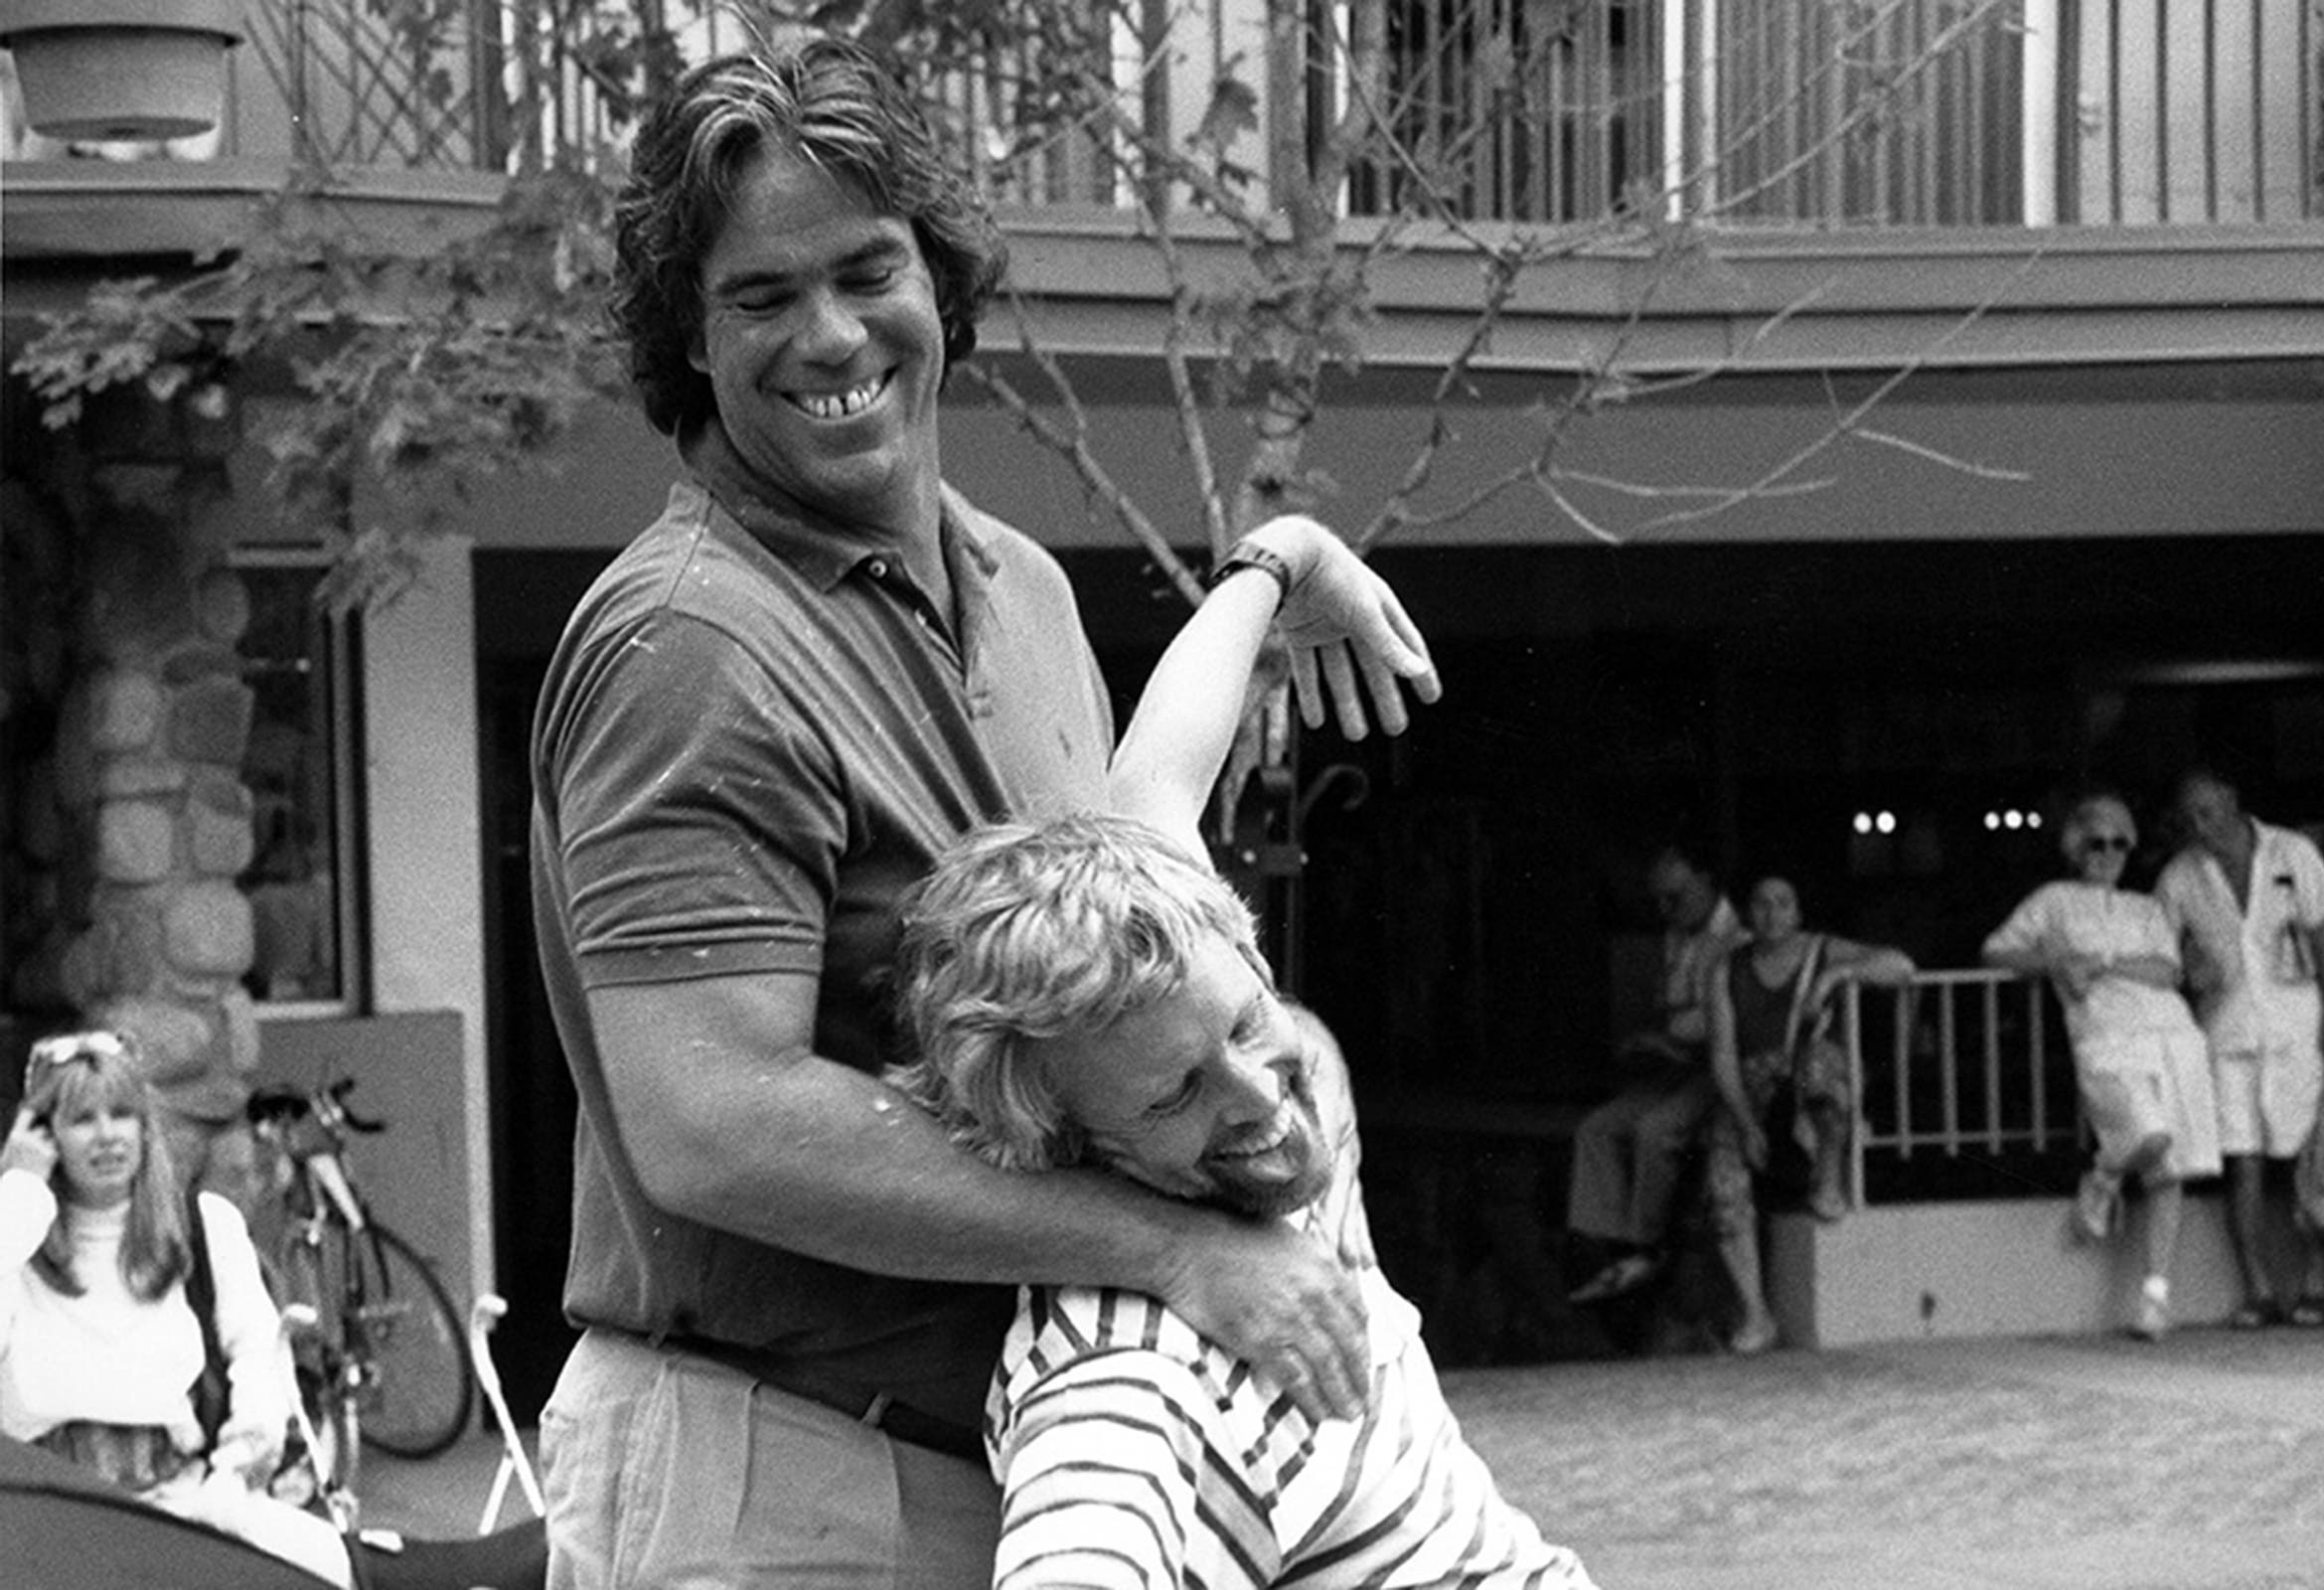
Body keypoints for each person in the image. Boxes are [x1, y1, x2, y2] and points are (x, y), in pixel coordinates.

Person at [531, 34, 1439, 1588]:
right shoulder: (688, 645)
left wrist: (1272, 563)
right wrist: (1176, 1251)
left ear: (938, 281)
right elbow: (712, 1126)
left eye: (864, 270)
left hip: (997, 1475)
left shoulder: (1016, 584)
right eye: (759, 297)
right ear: (689, 340)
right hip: (773, 1478)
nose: (828, 336)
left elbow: (1138, 864)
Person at [884, 560, 1578, 1585]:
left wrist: (1279, 561)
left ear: (1247, 957)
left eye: (1247, 1024)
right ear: (1067, 1145)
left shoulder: (1182, 1007)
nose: (1256, 1093)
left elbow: (1159, 777)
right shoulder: (1122, 1374)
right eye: (1175, 1094)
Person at [1, 1031, 355, 1588]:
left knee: (341, 1568)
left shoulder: (204, 1227)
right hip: (50, 1524)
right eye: (81, 1119)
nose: (107, 1135)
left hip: (181, 1509)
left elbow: (258, 1355)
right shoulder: (15, 1239)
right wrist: (18, 1189)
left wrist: (234, 1478)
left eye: (123, 1114)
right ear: (44, 1133)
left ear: (146, 1126)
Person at [1981, 791, 2222, 1341]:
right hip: (2106, 1038)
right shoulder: (2054, 900)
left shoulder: (2146, 907)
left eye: (2118, 842)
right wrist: (2053, 960)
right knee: (2150, 1136)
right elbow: (1997, 950)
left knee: (2170, 1171)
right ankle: (2105, 1175)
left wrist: (2108, 962)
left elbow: (2168, 971)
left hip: (2172, 1035)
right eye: (2096, 841)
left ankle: (2155, 1297)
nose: (2107, 852)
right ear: (2076, 846)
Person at [2154, 766, 2324, 1330]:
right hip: (2227, 1029)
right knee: (2242, 1161)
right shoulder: (2179, 876)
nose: (2201, 825)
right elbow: (2163, 953)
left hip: (2299, 1025)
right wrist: (2187, 970)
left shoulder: (2291, 851)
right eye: (2190, 817)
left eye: (2208, 811)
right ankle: (2258, 1288)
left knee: (2311, 1159)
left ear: (2231, 800)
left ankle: (2317, 1281)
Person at [1705, 874, 1914, 1353]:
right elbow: (1723, 1054)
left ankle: (1828, 1174)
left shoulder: (1822, 949)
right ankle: (1755, 1313)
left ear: (1798, 912)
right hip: (1753, 1083)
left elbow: (1900, 965)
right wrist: (1745, 1122)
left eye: (1783, 903)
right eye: (1760, 903)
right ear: (1747, 912)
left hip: (1808, 1071)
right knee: (1723, 1178)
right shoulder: (1727, 968)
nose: (1772, 914)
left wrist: (1837, 975)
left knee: (1826, 1070)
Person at [1563, 843, 1747, 1305]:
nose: (1665, 909)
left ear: (1705, 884)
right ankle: (1602, 1243)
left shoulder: (1737, 941)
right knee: (1596, 1128)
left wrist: (1670, 1038)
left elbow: (1722, 1026)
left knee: (1654, 1130)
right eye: (1660, 900)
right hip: (1676, 1065)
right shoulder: (1677, 935)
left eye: (1675, 897)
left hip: (1718, 1067)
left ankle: (1648, 1245)